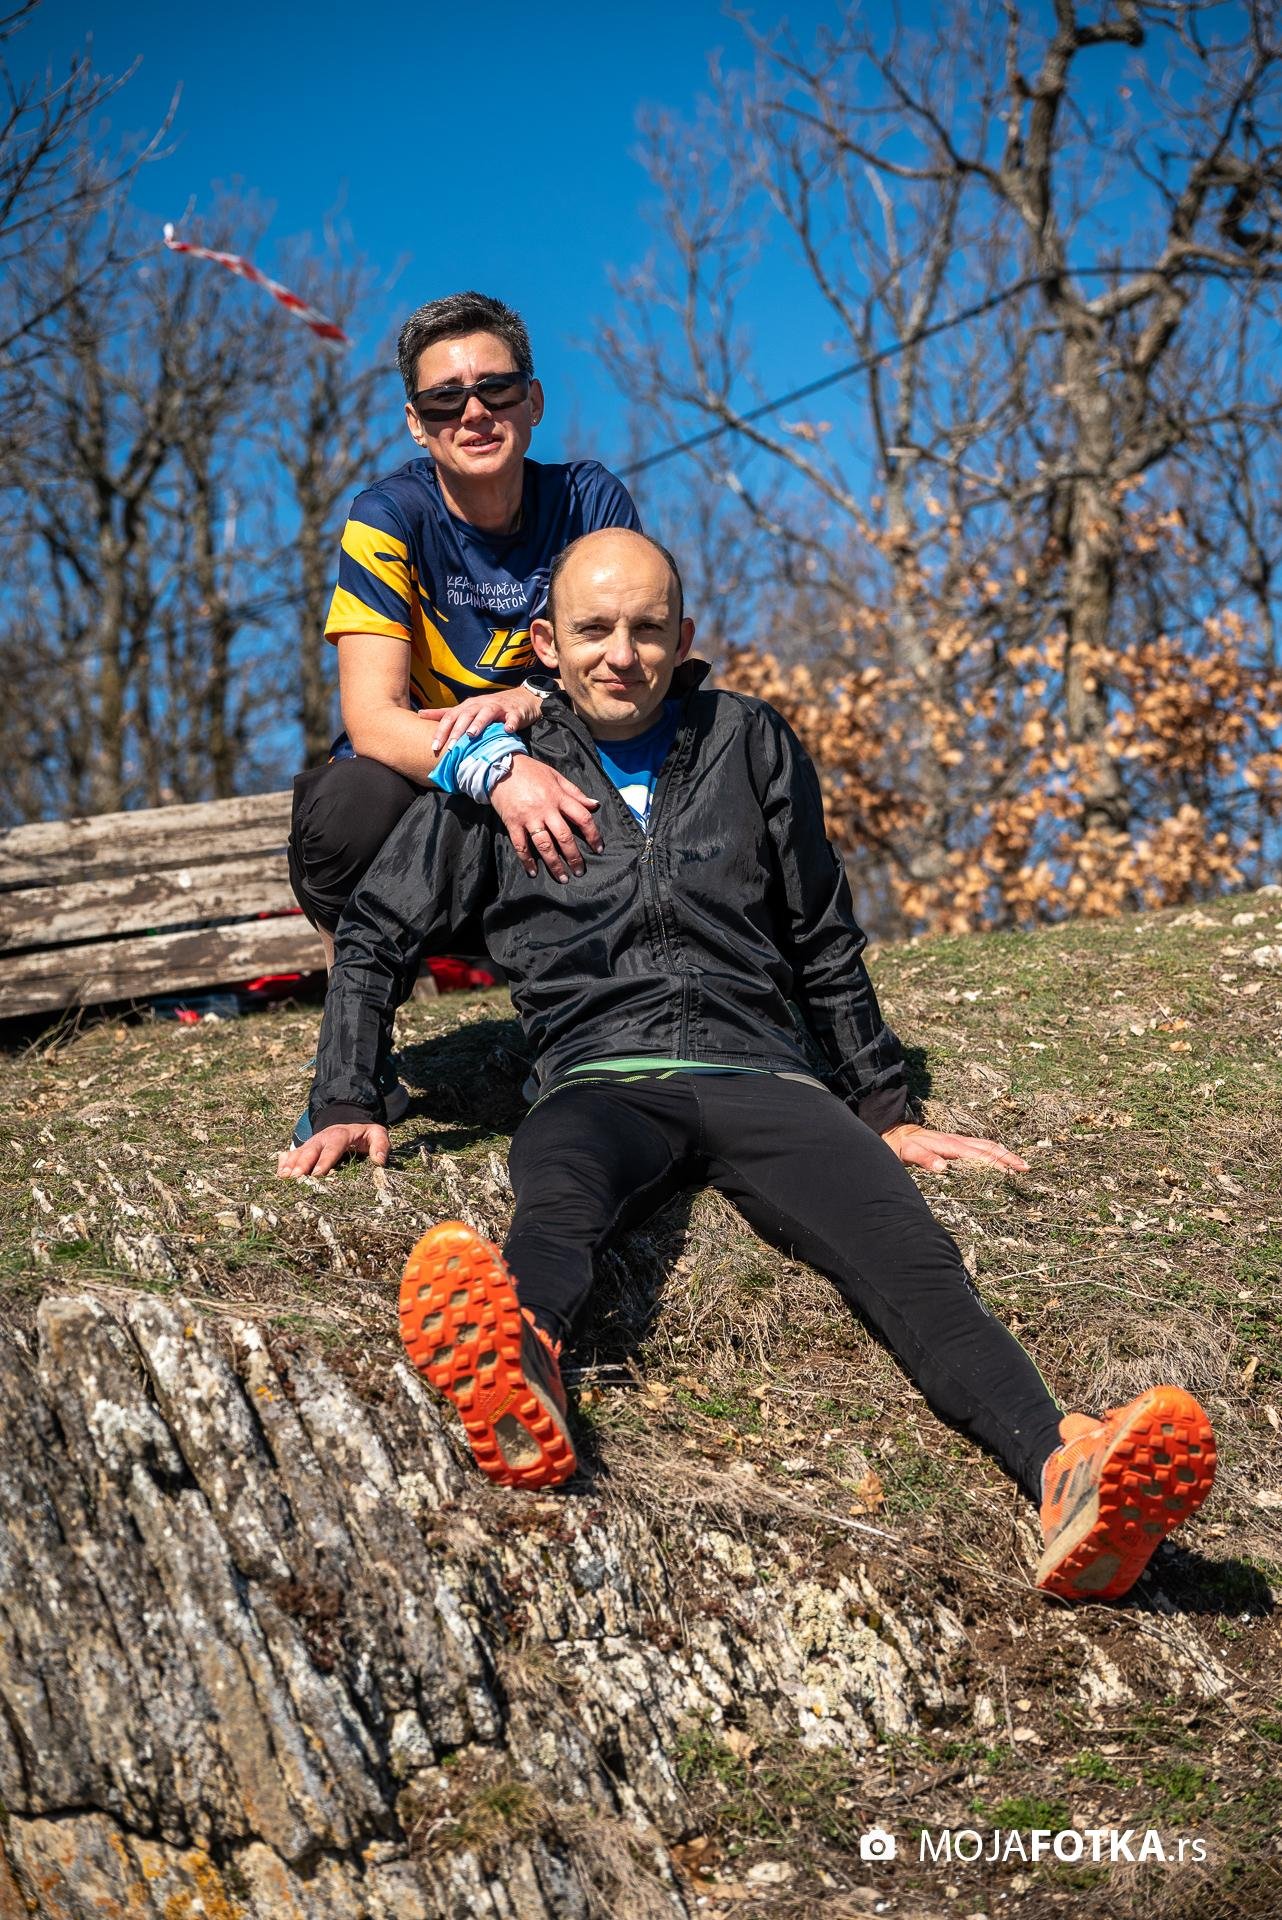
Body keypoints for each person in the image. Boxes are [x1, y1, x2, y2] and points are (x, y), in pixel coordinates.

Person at [278, 529, 1217, 1603]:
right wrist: (347, 1092)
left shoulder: (748, 739)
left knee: (911, 1260)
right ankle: (520, 1372)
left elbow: (820, 930)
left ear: (685, 637)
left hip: (764, 1077)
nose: (621, 654)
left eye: (646, 629)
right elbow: (377, 930)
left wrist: (884, 1107)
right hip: (597, 1077)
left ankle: (1066, 1473)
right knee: (557, 1202)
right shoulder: (501, 778)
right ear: (545, 644)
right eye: (593, 630)